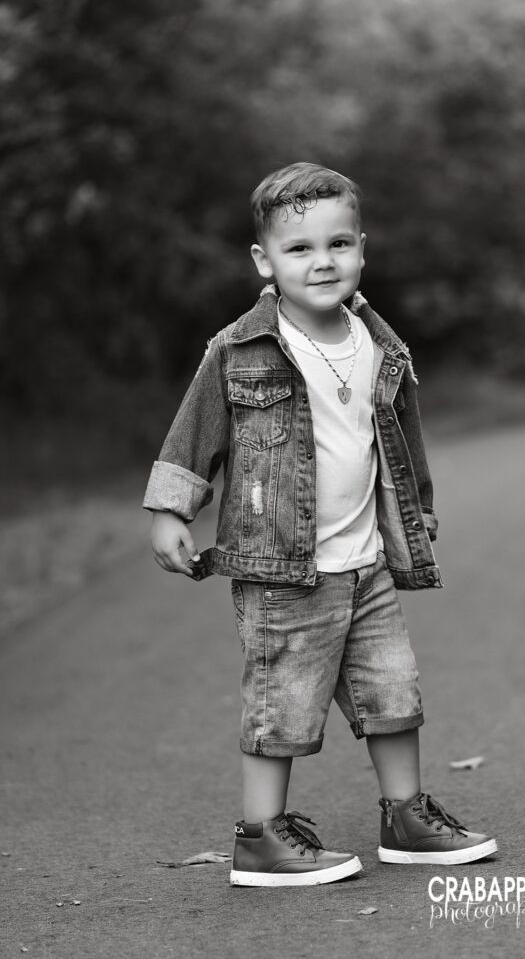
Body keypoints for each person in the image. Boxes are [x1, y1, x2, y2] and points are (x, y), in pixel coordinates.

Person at [143, 162, 497, 886]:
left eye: (338, 244)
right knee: (282, 702)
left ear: (362, 249)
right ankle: (260, 837)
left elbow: (399, 438)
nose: (322, 261)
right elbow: (194, 434)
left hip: (366, 562)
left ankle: (405, 816)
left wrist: (417, 510)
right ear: (263, 261)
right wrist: (170, 510)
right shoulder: (239, 349)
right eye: (299, 248)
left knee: (393, 693)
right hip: (281, 571)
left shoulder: (378, 343)